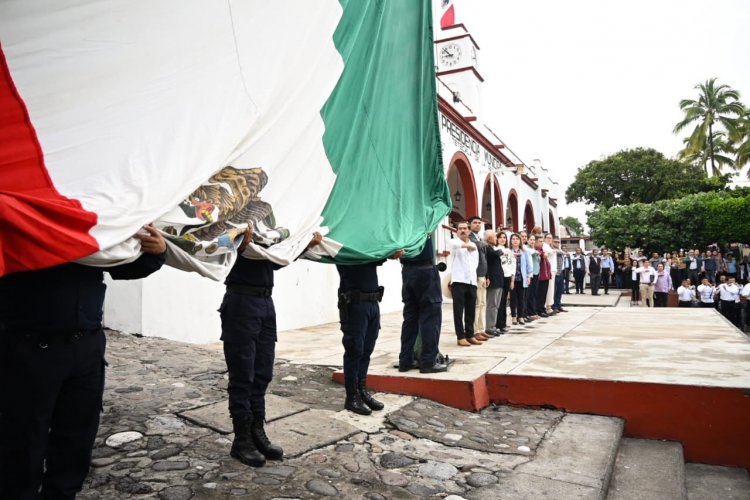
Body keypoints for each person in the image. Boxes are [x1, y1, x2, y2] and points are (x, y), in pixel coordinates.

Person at [0, 225, 167, 498]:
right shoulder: (23, 218)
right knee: (23, 443)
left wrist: (156, 254)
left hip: (86, 348)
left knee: (76, 440)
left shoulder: (91, 222)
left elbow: (121, 267)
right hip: (30, 348)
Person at [221, 224, 322, 466]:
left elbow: (276, 261)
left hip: (266, 303)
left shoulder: (267, 223)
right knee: (242, 375)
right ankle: (241, 439)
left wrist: (303, 246)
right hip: (241, 301)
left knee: (263, 373)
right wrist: (238, 246)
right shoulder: (233, 217)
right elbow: (216, 249)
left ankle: (257, 431)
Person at [337, 245, 404, 415]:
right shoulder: (345, 246)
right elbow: (358, 256)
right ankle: (352, 397)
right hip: (355, 303)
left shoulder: (367, 243)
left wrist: (389, 254)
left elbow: (375, 255)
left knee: (367, 350)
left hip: (372, 302)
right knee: (354, 349)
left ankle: (362, 391)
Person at [399, 234, 447, 373]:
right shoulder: (422, 220)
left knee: (410, 318)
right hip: (425, 270)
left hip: (407, 270)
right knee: (431, 318)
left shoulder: (402, 224)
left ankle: (405, 360)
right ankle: (428, 361)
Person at [449, 221, 481, 347]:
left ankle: (470, 334)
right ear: (457, 231)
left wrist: (474, 277)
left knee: (470, 310)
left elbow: (476, 263)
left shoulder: (473, 244)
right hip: (459, 280)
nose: (463, 230)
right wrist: (466, 247)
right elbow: (455, 245)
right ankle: (460, 336)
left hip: (471, 281)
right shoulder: (454, 243)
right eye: (460, 228)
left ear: (468, 230)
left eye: (465, 228)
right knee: (458, 310)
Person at [468, 216, 490, 341]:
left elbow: (485, 259)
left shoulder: (479, 238)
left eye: (479, 223)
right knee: (477, 304)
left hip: (483, 274)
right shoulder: (471, 237)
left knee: (482, 303)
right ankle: (475, 330)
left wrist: (487, 275)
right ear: (470, 224)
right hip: (475, 275)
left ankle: (481, 329)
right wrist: (485, 243)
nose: (477, 225)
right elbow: (477, 245)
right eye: (475, 223)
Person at [484, 230, 506, 337]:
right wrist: (501, 251)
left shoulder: (492, 248)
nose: (496, 239)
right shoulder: (487, 248)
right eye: (495, 237)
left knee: (496, 305)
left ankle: (493, 325)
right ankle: (489, 327)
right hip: (493, 279)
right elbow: (495, 254)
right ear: (489, 238)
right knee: (491, 305)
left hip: (498, 279)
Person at [508, 233, 532, 325]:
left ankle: (520, 316)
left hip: (522, 277)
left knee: (521, 298)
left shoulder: (524, 251)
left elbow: (528, 265)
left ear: (520, 241)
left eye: (517, 239)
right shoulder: (508, 251)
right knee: (513, 298)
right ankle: (514, 316)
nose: (515, 240)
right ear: (511, 241)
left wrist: (529, 276)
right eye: (513, 239)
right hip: (512, 278)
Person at [495, 231, 514, 333]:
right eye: (500, 237)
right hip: (500, 276)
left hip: (507, 276)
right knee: (500, 301)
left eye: (504, 238)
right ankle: (498, 324)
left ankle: (503, 323)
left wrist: (511, 278)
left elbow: (511, 264)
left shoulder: (508, 250)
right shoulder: (496, 249)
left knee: (504, 301)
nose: (503, 239)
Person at [534, 237, 552, 318]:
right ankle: (539, 310)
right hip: (540, 276)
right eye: (540, 241)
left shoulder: (542, 251)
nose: (541, 243)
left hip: (546, 275)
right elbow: (542, 256)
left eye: (542, 241)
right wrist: (543, 254)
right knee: (540, 294)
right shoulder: (537, 251)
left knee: (544, 293)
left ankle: (542, 308)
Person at [552, 237, 568, 313]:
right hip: (556, 273)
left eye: (558, 242)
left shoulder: (559, 250)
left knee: (559, 290)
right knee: (554, 291)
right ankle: (554, 306)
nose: (557, 243)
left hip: (561, 272)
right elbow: (561, 252)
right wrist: (563, 252)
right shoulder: (553, 249)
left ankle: (558, 305)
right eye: (555, 242)